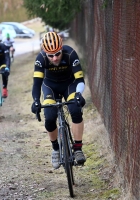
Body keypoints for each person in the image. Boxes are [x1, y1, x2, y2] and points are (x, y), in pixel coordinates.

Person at [31, 32, 87, 169]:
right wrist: (36, 101)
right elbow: (37, 84)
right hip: (50, 86)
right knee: (49, 118)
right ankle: (56, 148)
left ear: (62, 48)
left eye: (57, 53)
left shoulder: (70, 54)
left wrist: (79, 94)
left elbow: (79, 79)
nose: (55, 58)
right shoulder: (40, 59)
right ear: (45, 52)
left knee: (75, 110)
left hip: (69, 85)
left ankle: (78, 149)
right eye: (51, 55)